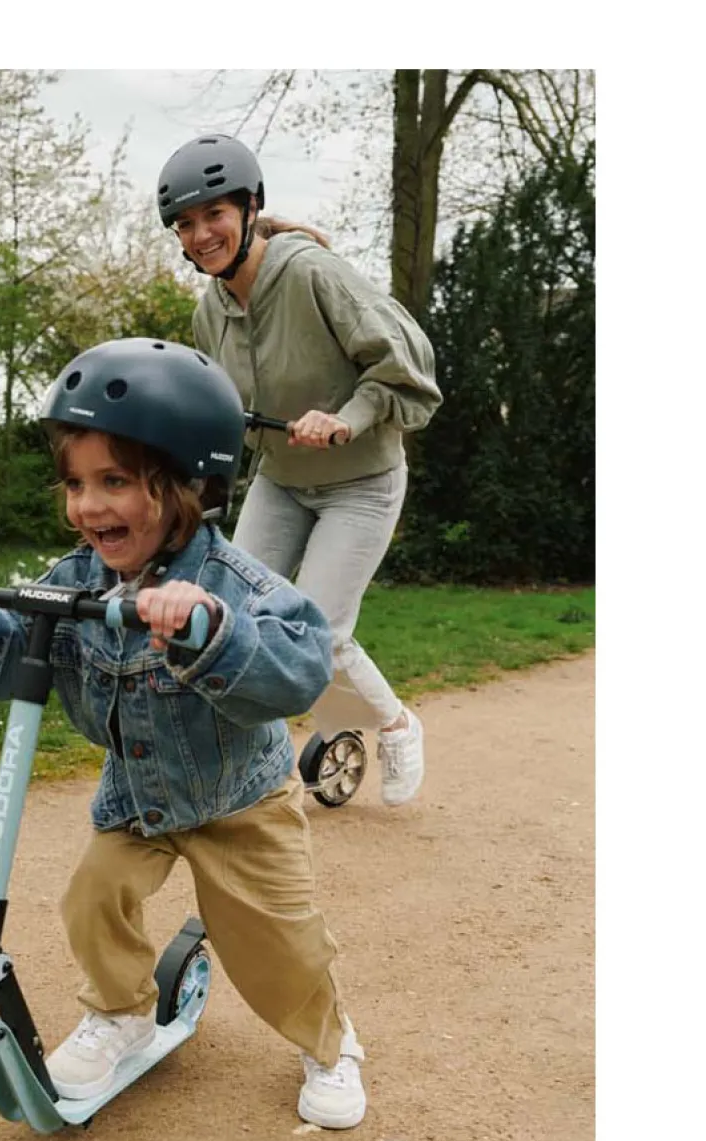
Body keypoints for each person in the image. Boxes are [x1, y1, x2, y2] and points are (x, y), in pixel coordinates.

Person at [0, 337, 368, 1130]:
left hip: (240, 803)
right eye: (75, 483)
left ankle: (330, 1047)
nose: (89, 506)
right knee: (92, 899)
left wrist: (210, 629)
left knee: (278, 946)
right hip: (137, 797)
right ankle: (121, 1014)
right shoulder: (75, 581)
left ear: (188, 484)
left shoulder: (236, 583)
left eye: (116, 481)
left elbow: (301, 669)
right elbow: (18, 667)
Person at [157, 133, 443, 806]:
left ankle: (396, 724)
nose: (201, 235)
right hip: (282, 482)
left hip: (361, 484)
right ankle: (248, 759)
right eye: (185, 224)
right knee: (229, 615)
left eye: (214, 215)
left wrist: (348, 416)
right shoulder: (210, 312)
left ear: (250, 208)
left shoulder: (313, 274)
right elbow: (224, 413)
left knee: (317, 631)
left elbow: (409, 368)